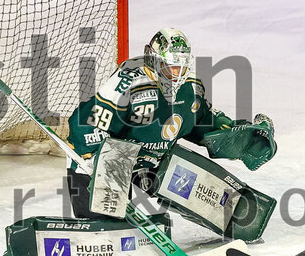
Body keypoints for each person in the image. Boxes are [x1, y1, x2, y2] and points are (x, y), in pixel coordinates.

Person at [64, 28, 276, 219]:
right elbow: (84, 123)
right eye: (169, 67)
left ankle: (237, 220)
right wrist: (95, 156)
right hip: (101, 162)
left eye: (180, 69)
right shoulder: (126, 83)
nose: (176, 76)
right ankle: (107, 224)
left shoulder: (190, 88)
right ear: (153, 60)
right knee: (106, 226)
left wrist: (240, 138)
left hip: (149, 163)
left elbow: (202, 121)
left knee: (187, 172)